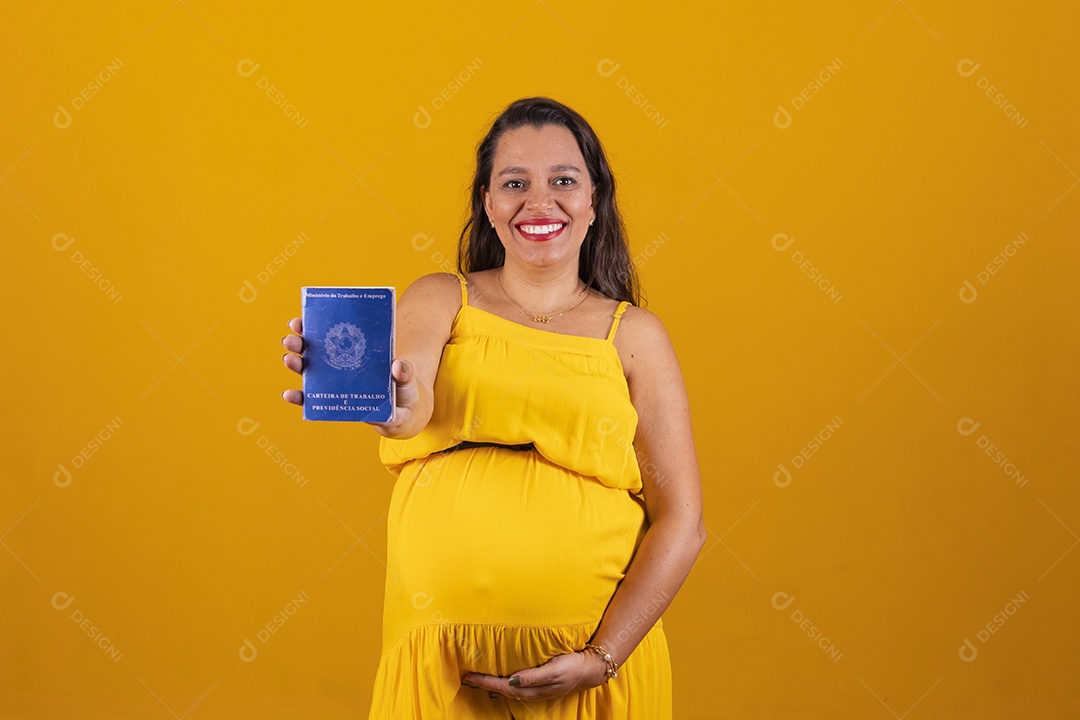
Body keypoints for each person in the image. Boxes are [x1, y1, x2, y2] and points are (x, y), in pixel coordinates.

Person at [281, 97, 705, 719]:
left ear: (594, 202)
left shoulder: (635, 336)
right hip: (442, 672)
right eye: (515, 183)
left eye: (564, 180)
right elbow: (411, 401)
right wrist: (385, 399)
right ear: (487, 201)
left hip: (590, 681)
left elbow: (683, 522)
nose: (539, 202)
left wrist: (602, 657)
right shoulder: (440, 297)